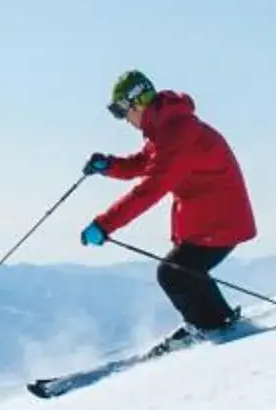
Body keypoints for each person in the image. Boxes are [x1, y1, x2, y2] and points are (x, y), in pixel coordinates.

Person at [80, 69, 257, 340]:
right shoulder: (167, 128)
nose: (124, 120)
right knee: (186, 271)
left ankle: (215, 329)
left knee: (174, 273)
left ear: (136, 103)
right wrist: (109, 165)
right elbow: (144, 164)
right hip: (212, 220)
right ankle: (218, 324)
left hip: (219, 223)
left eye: (121, 112)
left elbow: (151, 189)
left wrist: (104, 225)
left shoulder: (177, 134)